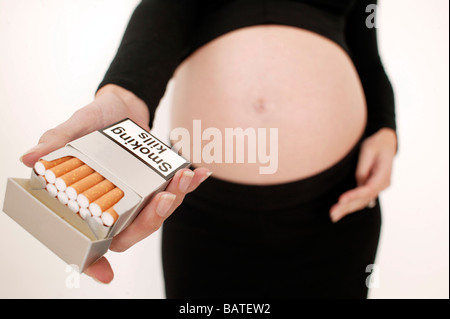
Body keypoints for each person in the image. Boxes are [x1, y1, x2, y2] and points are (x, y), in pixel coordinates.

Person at [21, 0, 397, 298]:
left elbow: (365, 42)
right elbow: (167, 7)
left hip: (335, 207)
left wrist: (385, 127)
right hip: (203, 208)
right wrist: (125, 92)